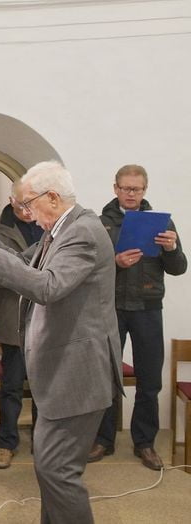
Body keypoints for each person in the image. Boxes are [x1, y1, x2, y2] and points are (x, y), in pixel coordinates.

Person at [0, 160, 122, 524]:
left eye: (29, 204)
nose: (27, 213)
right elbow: (22, 263)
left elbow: (48, 286)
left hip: (78, 373)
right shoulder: (59, 230)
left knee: (58, 471)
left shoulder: (82, 231)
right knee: (50, 469)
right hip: (60, 372)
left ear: (52, 197)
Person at [89, 164, 186, 469]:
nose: (131, 194)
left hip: (148, 308)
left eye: (137, 189)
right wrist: (115, 262)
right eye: (126, 188)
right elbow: (88, 269)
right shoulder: (100, 224)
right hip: (111, 308)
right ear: (115, 188)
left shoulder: (161, 222)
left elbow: (179, 268)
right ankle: (103, 440)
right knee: (105, 376)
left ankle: (144, 443)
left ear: (145, 190)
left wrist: (171, 248)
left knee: (149, 379)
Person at [0, 181, 44, 469]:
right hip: (13, 318)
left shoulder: (48, 224)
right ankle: (6, 444)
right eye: (22, 203)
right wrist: (22, 275)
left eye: (31, 202)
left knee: (44, 387)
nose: (27, 209)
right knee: (11, 387)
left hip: (45, 318)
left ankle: (43, 443)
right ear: (11, 200)